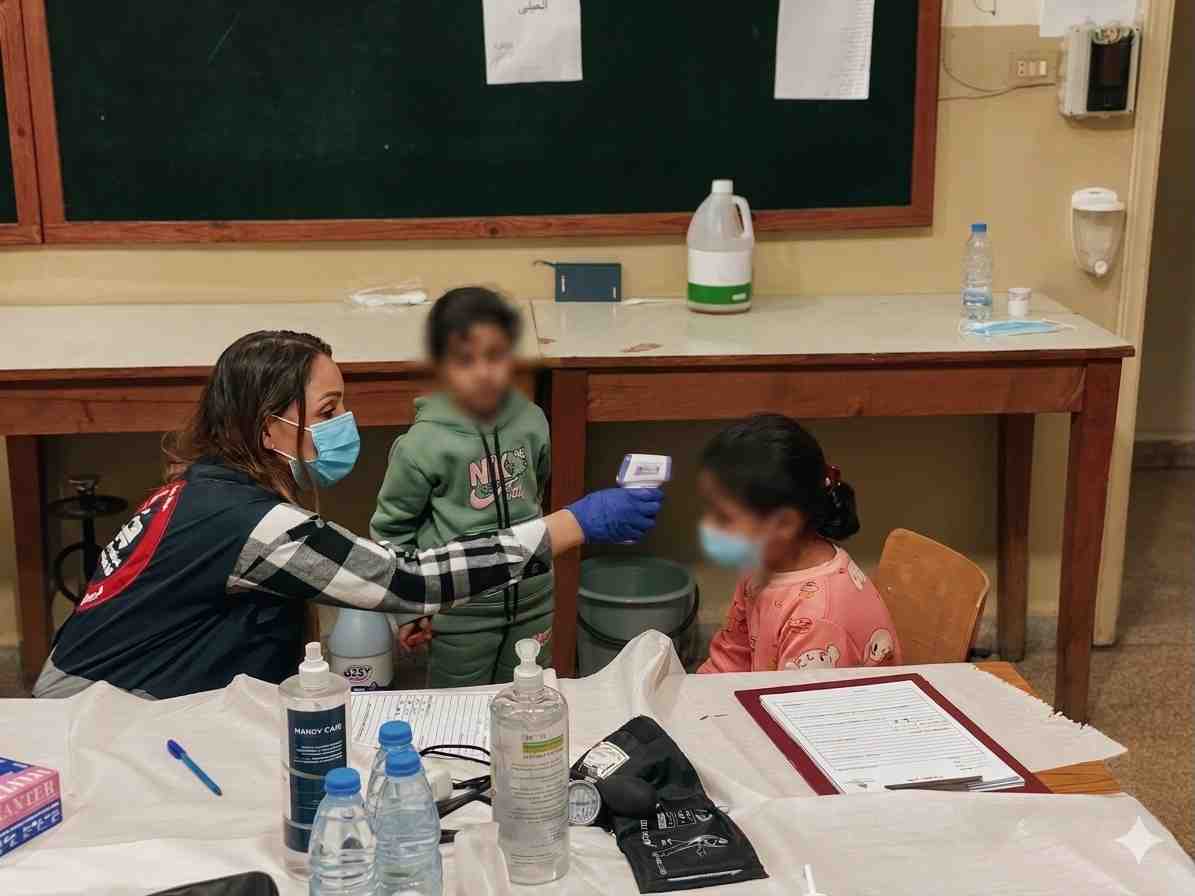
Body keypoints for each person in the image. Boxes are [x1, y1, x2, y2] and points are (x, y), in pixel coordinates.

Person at [33, 330, 662, 699]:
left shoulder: (205, 485)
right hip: (90, 715)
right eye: (328, 410)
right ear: (266, 425)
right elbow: (406, 575)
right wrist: (573, 523)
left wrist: (397, 614)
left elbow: (333, 579)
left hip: (98, 685)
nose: (344, 426)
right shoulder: (246, 520)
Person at [371, 288, 553, 686]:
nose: (484, 372)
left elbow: (538, 489)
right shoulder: (421, 446)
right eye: (465, 360)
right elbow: (392, 533)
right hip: (459, 616)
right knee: (459, 710)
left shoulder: (533, 421)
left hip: (534, 604)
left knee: (529, 702)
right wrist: (408, 609)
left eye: (496, 355)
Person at [696, 414, 901, 673]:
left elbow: (801, 708)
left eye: (725, 517)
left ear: (784, 524)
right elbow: (731, 658)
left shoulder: (819, 621)